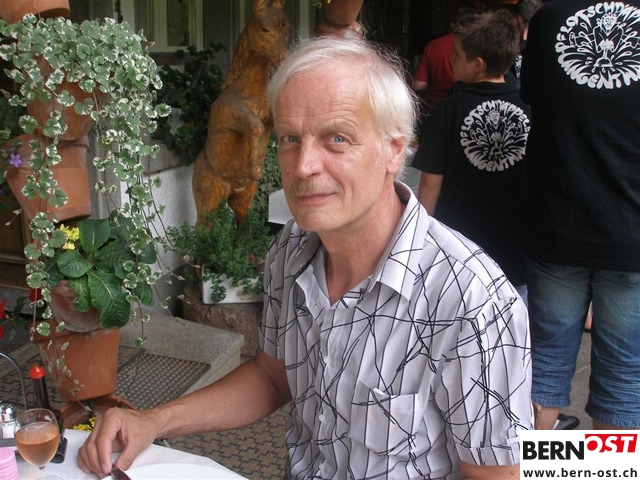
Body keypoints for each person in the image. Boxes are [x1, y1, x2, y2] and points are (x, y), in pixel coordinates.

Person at [78, 37, 532, 479]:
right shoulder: (292, 248)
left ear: (394, 150)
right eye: (291, 138)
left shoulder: (473, 302)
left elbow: (496, 474)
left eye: (337, 138)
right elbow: (273, 377)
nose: (302, 166)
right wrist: (153, 421)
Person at [520, 0, 640, 430]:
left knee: (544, 364)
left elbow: (532, 96)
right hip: (631, 231)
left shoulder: (549, 19)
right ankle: (607, 466)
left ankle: (534, 462)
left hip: (559, 221)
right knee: (624, 374)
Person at [411, 10, 531, 300]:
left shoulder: (449, 109)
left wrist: (420, 232)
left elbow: (430, 182)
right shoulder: (529, 105)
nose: (451, 59)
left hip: (459, 241)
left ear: (477, 65)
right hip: (515, 240)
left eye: (457, 54)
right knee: (515, 314)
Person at [412, 8, 476, 123]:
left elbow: (419, 85)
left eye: (456, 55)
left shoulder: (434, 46)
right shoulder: (477, 47)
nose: (452, 59)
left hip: (435, 110)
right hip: (467, 113)